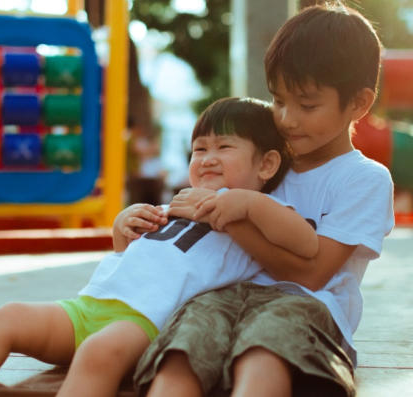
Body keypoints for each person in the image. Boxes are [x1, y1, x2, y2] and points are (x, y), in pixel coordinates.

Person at [0, 97, 318, 397]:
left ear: (266, 165)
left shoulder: (259, 213)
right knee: (11, 316)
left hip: (145, 323)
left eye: (224, 147)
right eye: (199, 149)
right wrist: (123, 226)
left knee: (97, 354)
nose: (207, 158)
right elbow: (133, 255)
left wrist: (247, 204)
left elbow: (304, 241)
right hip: (90, 306)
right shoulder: (177, 204)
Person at [133, 3, 394, 397]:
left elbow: (312, 275)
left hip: (308, 310)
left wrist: (229, 215)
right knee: (181, 348)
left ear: (358, 104)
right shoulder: (265, 162)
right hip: (226, 296)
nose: (287, 119)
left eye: (307, 105)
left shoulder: (364, 179)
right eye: (278, 100)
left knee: (263, 352)